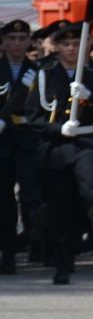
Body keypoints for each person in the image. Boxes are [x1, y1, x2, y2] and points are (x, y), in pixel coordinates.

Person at [34, 22, 93, 285]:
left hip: (86, 143)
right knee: (60, 205)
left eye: (78, 44)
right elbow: (33, 117)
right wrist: (58, 128)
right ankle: (63, 261)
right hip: (57, 147)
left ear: (88, 47)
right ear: (56, 47)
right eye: (66, 44)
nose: (72, 49)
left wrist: (89, 96)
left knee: (89, 190)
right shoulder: (45, 75)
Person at [0, 18, 43, 275]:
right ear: (3, 43)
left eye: (22, 39)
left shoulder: (39, 71)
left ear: (29, 42)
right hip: (3, 143)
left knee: (32, 193)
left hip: (29, 141)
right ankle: (8, 251)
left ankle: (36, 238)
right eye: (12, 39)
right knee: (4, 198)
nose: (17, 44)